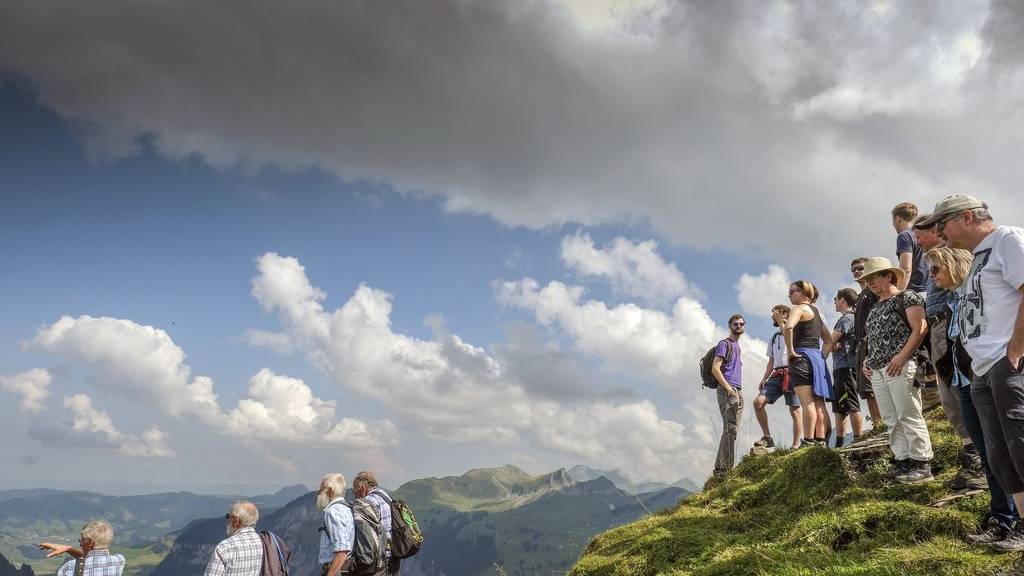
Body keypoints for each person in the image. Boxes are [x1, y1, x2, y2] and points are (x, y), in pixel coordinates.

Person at [923, 193, 1024, 557]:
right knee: (1000, 457)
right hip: (981, 370)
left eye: (941, 223)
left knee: (1020, 446)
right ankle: (1018, 530)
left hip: (1006, 362)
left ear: (967, 216)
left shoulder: (1008, 239)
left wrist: (1015, 350)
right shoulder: (979, 258)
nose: (938, 232)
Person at [914, 216, 984, 490]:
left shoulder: (956, 256)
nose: (917, 241)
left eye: (921, 235)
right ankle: (972, 454)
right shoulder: (936, 261)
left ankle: (979, 458)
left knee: (962, 392)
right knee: (950, 394)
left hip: (951, 325)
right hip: (940, 327)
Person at [859, 257, 933, 483]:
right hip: (879, 368)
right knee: (891, 417)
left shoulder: (907, 297)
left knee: (908, 413)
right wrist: (866, 361)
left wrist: (901, 356)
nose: (870, 283)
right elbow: (872, 339)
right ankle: (903, 461)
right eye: (867, 279)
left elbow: (920, 328)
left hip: (901, 364)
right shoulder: (874, 307)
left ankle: (922, 463)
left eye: (874, 277)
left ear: (888, 275)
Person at [783, 281, 834, 446]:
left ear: (804, 293)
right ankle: (820, 441)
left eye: (792, 292)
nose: (789, 295)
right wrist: (821, 357)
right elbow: (829, 341)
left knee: (807, 402)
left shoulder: (797, 309)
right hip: (816, 359)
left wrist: (790, 351)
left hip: (801, 357)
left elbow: (789, 328)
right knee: (819, 403)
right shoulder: (817, 313)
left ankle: (808, 440)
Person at [753, 305, 802, 449]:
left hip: (791, 371)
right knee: (758, 402)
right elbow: (771, 360)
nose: (777, 316)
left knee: (795, 409)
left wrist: (782, 322)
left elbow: (786, 331)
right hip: (777, 373)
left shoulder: (795, 331)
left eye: (781, 313)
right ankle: (767, 437)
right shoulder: (774, 338)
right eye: (776, 314)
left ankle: (795, 444)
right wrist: (764, 378)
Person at [850, 257, 884, 427]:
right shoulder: (861, 295)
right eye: (853, 269)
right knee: (865, 389)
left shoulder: (872, 292)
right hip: (861, 344)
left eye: (860, 268)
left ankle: (882, 425)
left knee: (873, 385)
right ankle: (877, 425)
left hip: (871, 341)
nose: (856, 271)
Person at [712, 314, 745, 475]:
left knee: (732, 430)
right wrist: (728, 389)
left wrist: (736, 391)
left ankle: (720, 467)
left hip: (738, 389)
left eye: (741, 324)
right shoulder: (724, 344)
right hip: (728, 390)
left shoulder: (737, 346)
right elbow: (715, 368)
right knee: (730, 429)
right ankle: (725, 469)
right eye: (735, 324)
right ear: (730, 326)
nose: (739, 326)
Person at [831, 288, 863, 447]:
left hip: (846, 367)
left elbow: (830, 341)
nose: (834, 302)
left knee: (850, 404)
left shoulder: (847, 318)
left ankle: (858, 439)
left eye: (835, 299)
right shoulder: (851, 318)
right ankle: (839, 443)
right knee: (839, 407)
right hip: (841, 368)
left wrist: (831, 344)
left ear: (842, 300)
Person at [38, 520, 126, 576]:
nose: (80, 545)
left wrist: (68, 549)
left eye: (82, 541)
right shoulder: (119, 560)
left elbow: (85, 561)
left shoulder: (68, 567)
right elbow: (91, 561)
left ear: (90, 542)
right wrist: (69, 549)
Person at [354, 471, 400, 575]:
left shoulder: (369, 501)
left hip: (381, 559)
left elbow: (368, 536)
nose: (354, 493)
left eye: (354, 488)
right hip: (394, 555)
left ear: (362, 487)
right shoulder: (386, 496)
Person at [203, 501, 263, 576]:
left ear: (236, 521)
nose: (227, 520)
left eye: (228, 516)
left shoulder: (224, 547)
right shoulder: (264, 543)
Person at [318, 473, 355, 576]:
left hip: (338, 570)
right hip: (348, 568)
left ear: (330, 491)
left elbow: (342, 549)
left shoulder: (333, 511)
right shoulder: (348, 508)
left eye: (322, 488)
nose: (319, 492)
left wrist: (330, 574)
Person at [893, 202, 928, 294]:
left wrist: (898, 294)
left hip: (915, 292)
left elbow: (906, 268)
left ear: (898, 219)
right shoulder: (925, 233)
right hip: (931, 289)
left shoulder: (905, 236)